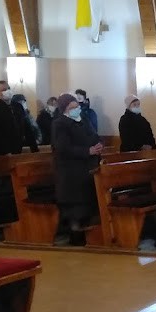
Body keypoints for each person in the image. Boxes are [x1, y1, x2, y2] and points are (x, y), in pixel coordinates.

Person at [51, 93, 104, 245]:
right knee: (76, 208)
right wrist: (87, 151)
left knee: (88, 204)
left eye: (77, 106)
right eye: (72, 107)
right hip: (71, 172)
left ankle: (87, 234)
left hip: (88, 169)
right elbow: (62, 148)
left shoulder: (83, 120)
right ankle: (75, 236)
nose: (76, 109)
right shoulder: (59, 124)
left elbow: (95, 136)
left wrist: (99, 144)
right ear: (64, 109)